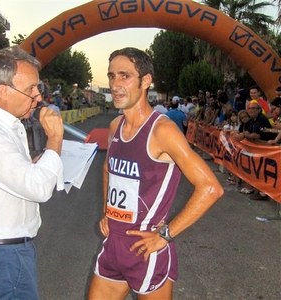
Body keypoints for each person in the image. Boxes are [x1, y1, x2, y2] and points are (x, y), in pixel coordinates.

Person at [87, 47, 223, 300]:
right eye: (111, 75)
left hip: (145, 248)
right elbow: (108, 169)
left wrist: (165, 235)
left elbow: (211, 188)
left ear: (146, 81)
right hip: (113, 244)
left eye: (124, 75)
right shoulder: (115, 126)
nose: (115, 84)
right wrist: (108, 210)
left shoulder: (162, 131)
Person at [0, 46, 64, 300]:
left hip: (8, 253)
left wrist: (40, 161)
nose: (38, 97)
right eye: (30, 89)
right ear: (3, 90)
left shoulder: (4, 126)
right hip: (5, 255)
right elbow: (38, 188)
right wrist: (55, 139)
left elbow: (16, 174)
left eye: (37, 88)